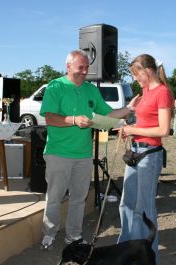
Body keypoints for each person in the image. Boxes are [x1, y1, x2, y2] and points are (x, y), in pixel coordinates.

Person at [40, 50, 139, 250]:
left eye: (87, 68)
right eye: (80, 68)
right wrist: (74, 120)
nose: (85, 72)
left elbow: (109, 113)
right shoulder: (56, 86)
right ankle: (49, 235)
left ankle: (74, 237)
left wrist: (129, 108)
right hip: (58, 153)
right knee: (55, 198)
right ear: (68, 67)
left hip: (83, 155)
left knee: (79, 198)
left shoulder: (91, 90)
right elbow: (49, 118)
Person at [117, 54, 173, 264]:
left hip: (149, 156)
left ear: (147, 71)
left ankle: (147, 259)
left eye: (136, 74)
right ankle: (125, 253)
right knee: (126, 204)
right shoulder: (145, 91)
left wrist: (132, 129)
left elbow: (164, 129)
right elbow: (144, 120)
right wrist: (129, 125)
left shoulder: (163, 92)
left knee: (144, 208)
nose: (135, 79)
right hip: (135, 153)